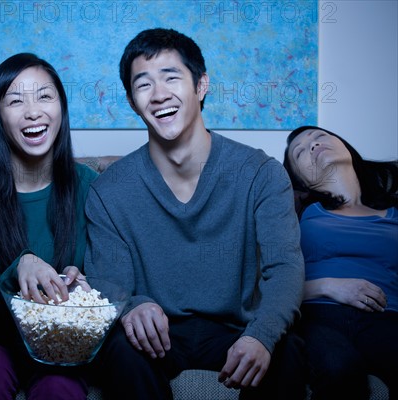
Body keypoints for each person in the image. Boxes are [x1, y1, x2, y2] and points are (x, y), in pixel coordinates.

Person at [83, 28, 306, 400]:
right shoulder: (109, 190)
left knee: (289, 350)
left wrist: (262, 335)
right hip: (157, 336)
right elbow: (108, 279)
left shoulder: (259, 173)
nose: (159, 95)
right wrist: (131, 307)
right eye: (144, 85)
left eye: (171, 77)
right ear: (132, 101)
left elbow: (285, 267)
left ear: (201, 85)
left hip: (238, 327)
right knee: (120, 350)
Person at [0, 53, 98, 400]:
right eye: (15, 101)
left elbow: (107, 283)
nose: (33, 111)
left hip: (63, 342)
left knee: (59, 386)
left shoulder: (88, 186)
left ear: (61, 107)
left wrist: (85, 284)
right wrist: (21, 266)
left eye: (45, 96)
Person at [283, 125, 398, 399]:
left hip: (387, 316)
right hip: (319, 316)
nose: (312, 145)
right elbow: (266, 281)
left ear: (345, 146)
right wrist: (328, 286)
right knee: (340, 367)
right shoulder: (297, 211)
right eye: (300, 152)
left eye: (319, 137)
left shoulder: (394, 211)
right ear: (300, 180)